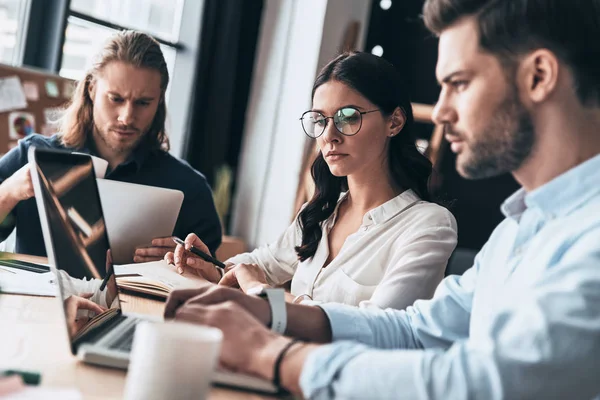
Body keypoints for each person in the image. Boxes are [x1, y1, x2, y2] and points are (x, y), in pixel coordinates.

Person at [163, 0, 600, 398]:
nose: (442, 113)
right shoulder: (517, 230)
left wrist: (273, 354)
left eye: (459, 83)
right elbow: (414, 331)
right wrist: (264, 314)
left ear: (538, 76)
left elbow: (485, 382)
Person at [166, 52, 457, 310]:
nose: (329, 135)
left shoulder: (429, 225)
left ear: (393, 122)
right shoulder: (319, 213)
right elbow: (264, 265)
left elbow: (379, 327)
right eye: (320, 120)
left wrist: (263, 293)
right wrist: (214, 269)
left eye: (348, 117)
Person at [0, 30, 222, 260]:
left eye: (143, 103)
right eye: (116, 99)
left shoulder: (190, 188)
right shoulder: (32, 154)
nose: (126, 117)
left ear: (159, 100)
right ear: (91, 89)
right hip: (37, 296)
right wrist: (9, 192)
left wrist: (180, 262)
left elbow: (210, 279)